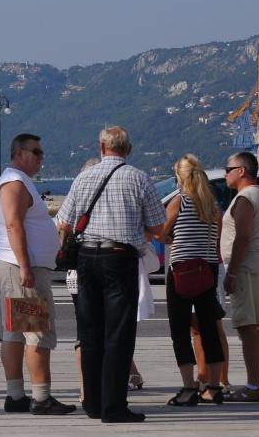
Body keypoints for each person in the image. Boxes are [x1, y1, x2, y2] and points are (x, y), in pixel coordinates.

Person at [57, 126, 164, 423]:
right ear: (128, 149)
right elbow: (158, 227)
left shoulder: (83, 177)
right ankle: (113, 406)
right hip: (119, 257)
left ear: (102, 148)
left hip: (86, 257)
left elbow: (64, 223)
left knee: (89, 331)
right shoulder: (139, 178)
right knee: (118, 332)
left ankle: (92, 403)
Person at [0, 133, 75, 416]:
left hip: (13, 265)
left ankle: (16, 395)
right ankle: (41, 397)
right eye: (36, 152)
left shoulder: (17, 181)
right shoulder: (14, 183)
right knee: (36, 331)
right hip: (19, 268)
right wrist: (25, 266)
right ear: (19, 153)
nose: (41, 157)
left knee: (15, 332)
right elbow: (14, 225)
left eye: (41, 152)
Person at [160, 154, 225, 405]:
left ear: (180, 176)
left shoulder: (179, 201)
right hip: (207, 267)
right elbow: (216, 235)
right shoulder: (211, 204)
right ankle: (214, 387)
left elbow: (161, 232)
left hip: (182, 269)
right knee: (209, 327)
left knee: (180, 329)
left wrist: (169, 238)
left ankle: (188, 388)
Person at [221, 151, 259, 402]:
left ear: (241, 171)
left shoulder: (245, 198)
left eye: (228, 169)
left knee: (247, 328)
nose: (226, 174)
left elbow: (242, 238)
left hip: (247, 268)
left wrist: (232, 271)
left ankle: (253, 385)